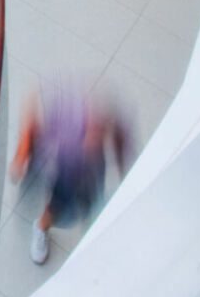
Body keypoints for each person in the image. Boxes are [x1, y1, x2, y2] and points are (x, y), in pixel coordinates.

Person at [12, 87, 131, 265]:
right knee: (59, 208)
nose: (94, 136)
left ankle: (88, 228)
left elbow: (118, 140)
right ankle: (41, 227)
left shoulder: (101, 140)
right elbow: (33, 127)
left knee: (91, 204)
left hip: (89, 173)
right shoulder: (65, 126)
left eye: (99, 131)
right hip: (67, 171)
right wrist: (22, 157)